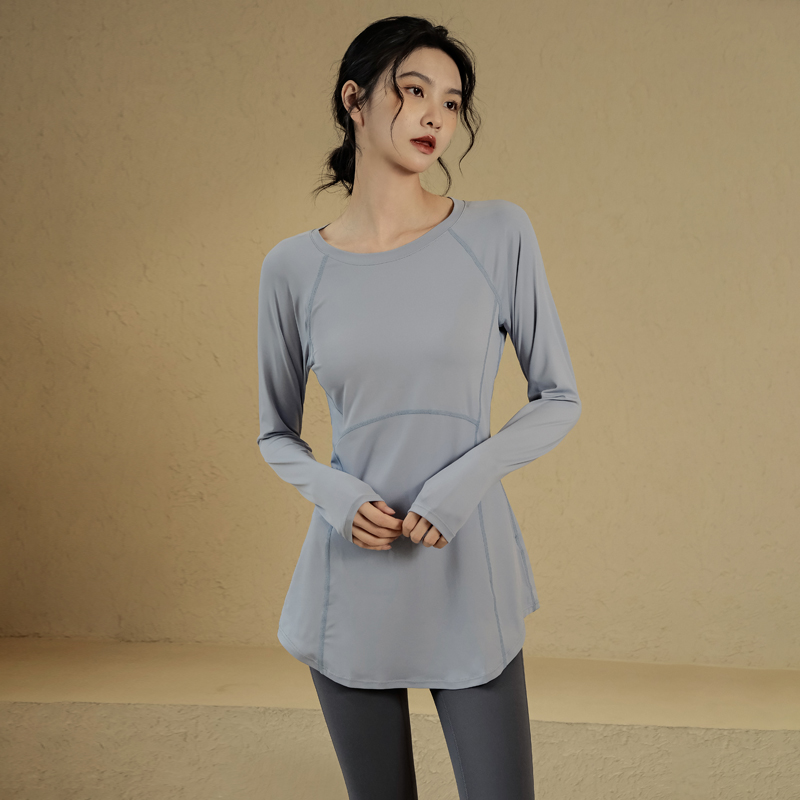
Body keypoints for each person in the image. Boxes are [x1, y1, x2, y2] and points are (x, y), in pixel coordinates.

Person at [256, 15, 582, 800]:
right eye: (412, 91)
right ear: (354, 101)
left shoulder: (497, 232)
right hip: (349, 578)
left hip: (466, 567)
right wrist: (337, 497)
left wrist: (461, 484)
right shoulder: (293, 268)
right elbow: (275, 434)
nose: (436, 115)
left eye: (451, 101)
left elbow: (559, 398)